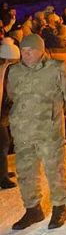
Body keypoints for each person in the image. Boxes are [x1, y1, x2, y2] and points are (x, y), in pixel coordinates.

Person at [6, 34, 66, 230]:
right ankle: (32, 209)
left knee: (55, 171)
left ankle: (59, 206)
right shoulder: (15, 71)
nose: (26, 55)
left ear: (41, 50)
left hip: (49, 131)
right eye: (23, 52)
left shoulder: (57, 68)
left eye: (30, 51)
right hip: (22, 133)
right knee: (25, 173)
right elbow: (13, 96)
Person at [0, 37, 20, 190]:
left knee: (4, 141)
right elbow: (8, 95)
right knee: (4, 142)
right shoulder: (7, 71)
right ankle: (2, 178)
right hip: (1, 113)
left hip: (3, 113)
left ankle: (3, 171)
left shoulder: (4, 68)